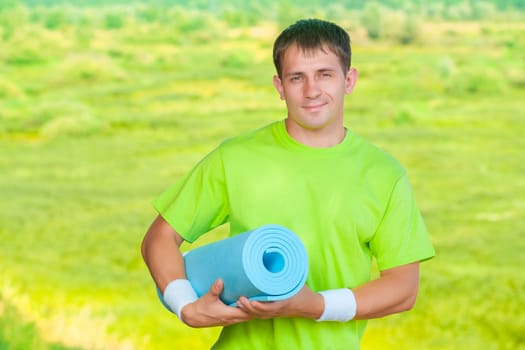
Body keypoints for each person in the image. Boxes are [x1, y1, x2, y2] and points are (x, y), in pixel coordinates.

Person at [141, 18, 435, 349]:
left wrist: (316, 306)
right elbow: (160, 238)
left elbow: (403, 288)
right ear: (280, 87)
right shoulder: (236, 157)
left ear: (348, 80)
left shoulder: (384, 175)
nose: (312, 91)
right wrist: (185, 306)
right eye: (297, 78)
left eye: (325, 74)